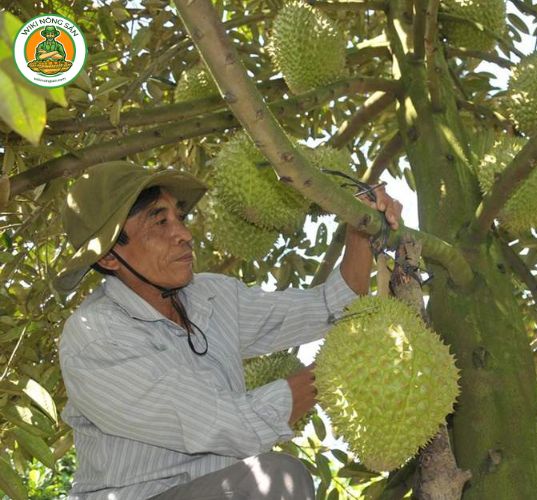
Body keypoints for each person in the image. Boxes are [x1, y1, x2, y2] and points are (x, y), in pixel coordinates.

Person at [54, 160, 402, 499]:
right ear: (110, 258)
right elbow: (226, 424)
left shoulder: (210, 296)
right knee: (276, 478)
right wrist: (340, 369)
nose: (185, 235)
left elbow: (330, 308)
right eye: (159, 223)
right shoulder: (97, 338)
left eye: (181, 218)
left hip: (224, 489)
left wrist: (360, 233)